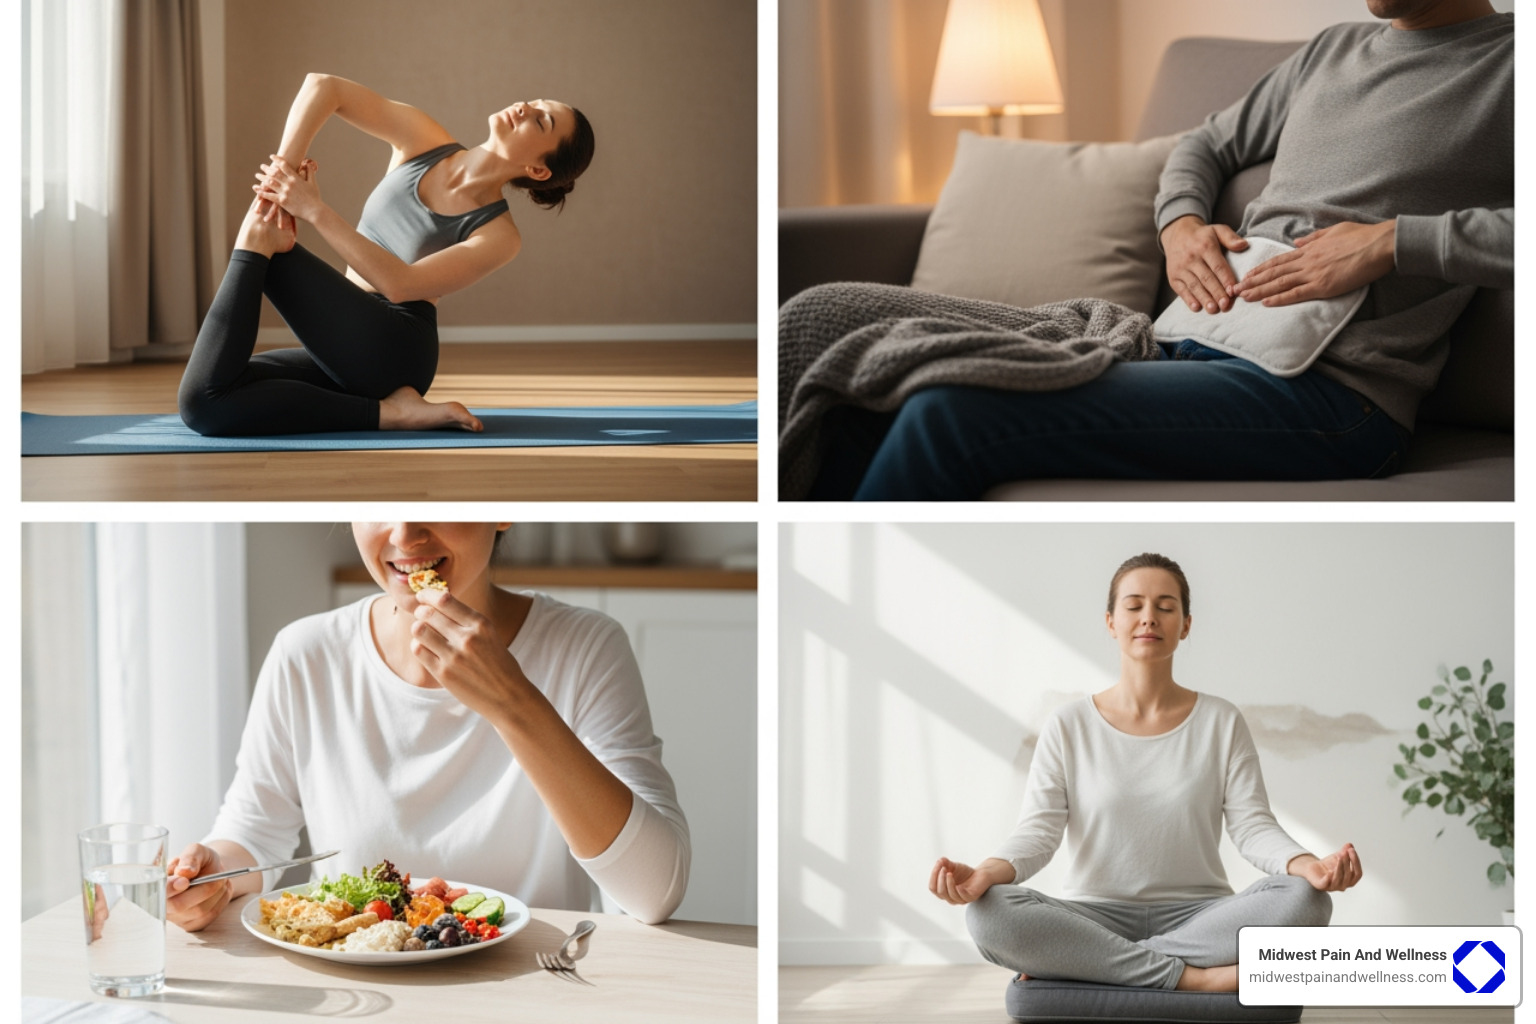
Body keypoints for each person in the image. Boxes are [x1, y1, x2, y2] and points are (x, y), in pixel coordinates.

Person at [791, 0, 1511, 500]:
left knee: (944, 408)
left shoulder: (1511, 64)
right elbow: (1205, 143)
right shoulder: (1332, 51)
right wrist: (1181, 227)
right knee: (845, 341)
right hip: (1188, 340)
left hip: (1331, 396)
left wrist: (1394, 241)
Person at [165, 522, 688, 929]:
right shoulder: (306, 653)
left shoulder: (585, 647)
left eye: (435, 497)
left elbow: (653, 892)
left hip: (534, 989)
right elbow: (255, 833)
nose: (403, 534)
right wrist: (215, 876)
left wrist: (512, 700)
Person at [928, 554, 1360, 992]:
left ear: (1185, 624)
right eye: (1134, 606)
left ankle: (1094, 963)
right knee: (989, 912)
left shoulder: (1221, 721)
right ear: (1111, 621)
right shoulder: (1068, 724)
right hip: (1091, 915)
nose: (1148, 618)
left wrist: (1309, 865)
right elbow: (1038, 833)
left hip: (1201, 918)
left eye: (1165, 607)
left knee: (1305, 899)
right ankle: (1197, 980)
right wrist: (986, 872)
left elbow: (1253, 826)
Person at [178, 76, 596, 437]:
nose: (525, 107)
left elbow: (400, 285)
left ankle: (394, 408)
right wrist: (281, 180)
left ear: (539, 171)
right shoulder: (424, 139)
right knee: (207, 400)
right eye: (535, 102)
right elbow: (325, 87)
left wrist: (311, 209)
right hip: (345, 342)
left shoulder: (499, 234)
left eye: (541, 120)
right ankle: (392, 413)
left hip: (395, 350)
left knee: (265, 245)